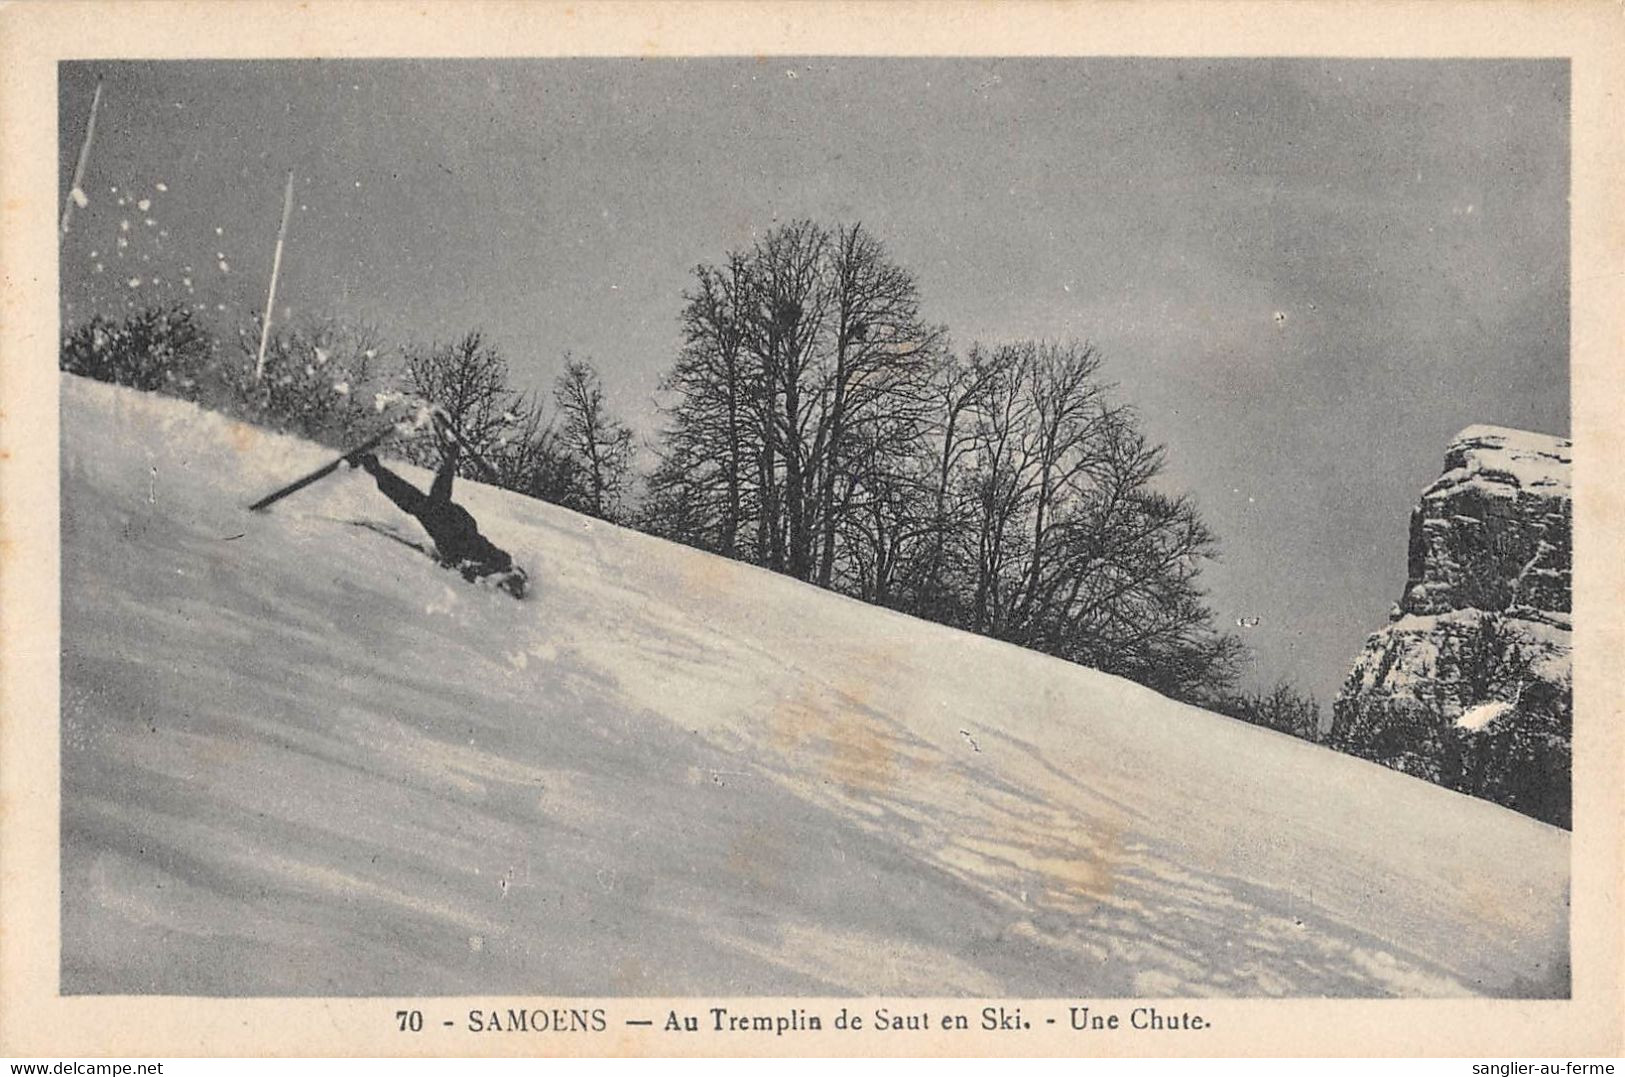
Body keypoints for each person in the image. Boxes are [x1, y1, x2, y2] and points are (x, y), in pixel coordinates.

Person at [349, 424, 528, 598]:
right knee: (427, 502)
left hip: (458, 531)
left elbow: (470, 569)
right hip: (454, 534)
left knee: (420, 501)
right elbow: (473, 568)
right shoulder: (499, 566)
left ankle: (375, 466)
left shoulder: (500, 566)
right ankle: (376, 467)